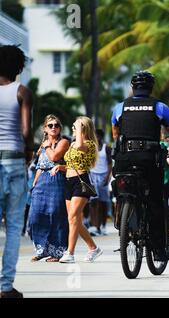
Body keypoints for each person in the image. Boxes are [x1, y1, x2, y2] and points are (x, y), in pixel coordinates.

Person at [111, 70, 169, 261]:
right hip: (149, 159)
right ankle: (158, 250)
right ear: (151, 88)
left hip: (125, 158)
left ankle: (123, 221)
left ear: (133, 88)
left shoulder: (120, 107)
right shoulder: (160, 107)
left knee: (123, 189)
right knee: (156, 200)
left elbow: (115, 134)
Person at [0, 44, 33, 298]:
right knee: (13, 226)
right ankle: (5, 287)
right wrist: (29, 153)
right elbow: (24, 132)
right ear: (18, 67)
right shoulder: (21, 91)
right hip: (14, 160)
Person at [53, 116, 102, 263]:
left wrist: (79, 126)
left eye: (75, 127)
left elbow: (81, 147)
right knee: (74, 220)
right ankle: (93, 248)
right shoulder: (74, 143)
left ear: (83, 129)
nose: (73, 129)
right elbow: (71, 164)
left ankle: (70, 253)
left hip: (80, 183)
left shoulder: (89, 144)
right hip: (69, 181)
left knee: (73, 217)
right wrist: (60, 167)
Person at [28, 115, 70, 262]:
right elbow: (40, 166)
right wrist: (34, 184)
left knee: (56, 216)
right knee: (35, 216)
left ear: (60, 128)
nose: (54, 127)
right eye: (50, 125)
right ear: (45, 128)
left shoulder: (63, 142)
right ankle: (42, 249)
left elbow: (54, 157)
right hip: (42, 182)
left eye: (56, 125)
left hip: (56, 179)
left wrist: (46, 146)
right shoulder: (43, 145)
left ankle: (57, 252)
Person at [88, 129, 112, 236]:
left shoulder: (106, 148)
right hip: (93, 175)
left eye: (97, 136)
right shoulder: (91, 148)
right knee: (94, 202)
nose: (96, 138)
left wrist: (107, 177)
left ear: (101, 137)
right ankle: (94, 226)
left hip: (103, 176)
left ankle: (103, 225)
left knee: (103, 203)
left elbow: (110, 164)